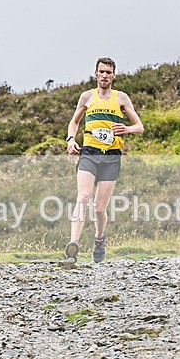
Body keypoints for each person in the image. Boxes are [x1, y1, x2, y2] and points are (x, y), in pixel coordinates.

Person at [64, 57, 143, 263]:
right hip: (90, 152)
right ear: (96, 74)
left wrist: (126, 129)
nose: (105, 76)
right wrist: (71, 139)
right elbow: (74, 122)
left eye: (109, 72)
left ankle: (99, 240)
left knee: (99, 209)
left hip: (111, 157)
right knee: (83, 196)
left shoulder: (121, 98)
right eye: (102, 72)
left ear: (113, 75)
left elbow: (140, 127)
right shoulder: (87, 97)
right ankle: (73, 247)